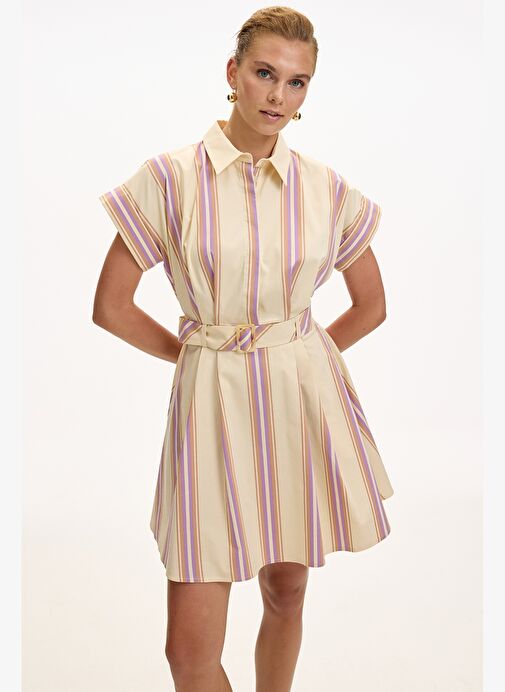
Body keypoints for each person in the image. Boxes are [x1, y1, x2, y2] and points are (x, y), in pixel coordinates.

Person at [93, 6, 394, 691]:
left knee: (286, 589)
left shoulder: (324, 188)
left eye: (296, 82)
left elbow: (371, 305)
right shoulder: (169, 179)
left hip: (297, 402)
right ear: (232, 73)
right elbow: (110, 307)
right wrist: (197, 355)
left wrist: (300, 358)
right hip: (210, 406)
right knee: (188, 654)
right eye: (264, 73)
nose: (277, 95)